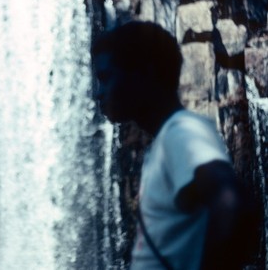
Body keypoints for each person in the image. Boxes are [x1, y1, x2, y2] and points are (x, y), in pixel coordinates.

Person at [91, 21, 251, 270]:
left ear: (146, 72)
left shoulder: (182, 132)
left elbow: (234, 203)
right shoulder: (166, 141)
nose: (99, 93)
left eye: (106, 77)